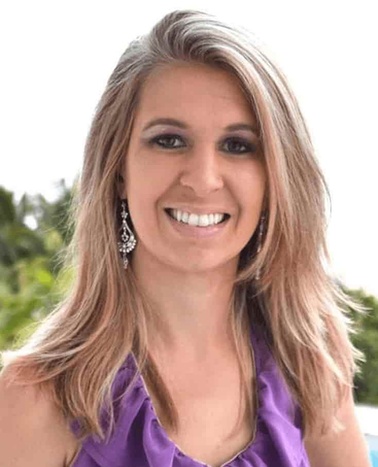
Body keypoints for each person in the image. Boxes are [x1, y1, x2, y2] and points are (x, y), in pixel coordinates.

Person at [0, 9, 371, 467]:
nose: (202, 179)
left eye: (238, 145)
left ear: (275, 178)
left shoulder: (309, 366)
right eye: (169, 140)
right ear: (118, 169)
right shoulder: (34, 398)